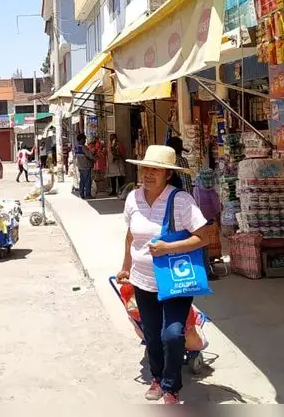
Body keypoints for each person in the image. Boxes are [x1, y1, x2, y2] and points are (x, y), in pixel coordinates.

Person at [116, 145, 209, 404]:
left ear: (168, 174)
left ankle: (171, 386)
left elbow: (203, 237)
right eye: (146, 168)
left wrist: (169, 247)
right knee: (152, 334)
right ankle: (157, 378)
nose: (148, 174)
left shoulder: (180, 200)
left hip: (175, 281)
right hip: (142, 280)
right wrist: (125, 266)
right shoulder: (133, 198)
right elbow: (130, 236)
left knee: (172, 334)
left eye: (155, 170)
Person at [74, 134, 94, 199]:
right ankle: (88, 194)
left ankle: (81, 193)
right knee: (88, 180)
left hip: (80, 166)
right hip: (86, 166)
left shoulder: (77, 147)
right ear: (81, 139)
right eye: (84, 139)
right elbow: (90, 155)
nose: (85, 140)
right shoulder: (83, 147)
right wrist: (94, 156)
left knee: (82, 180)